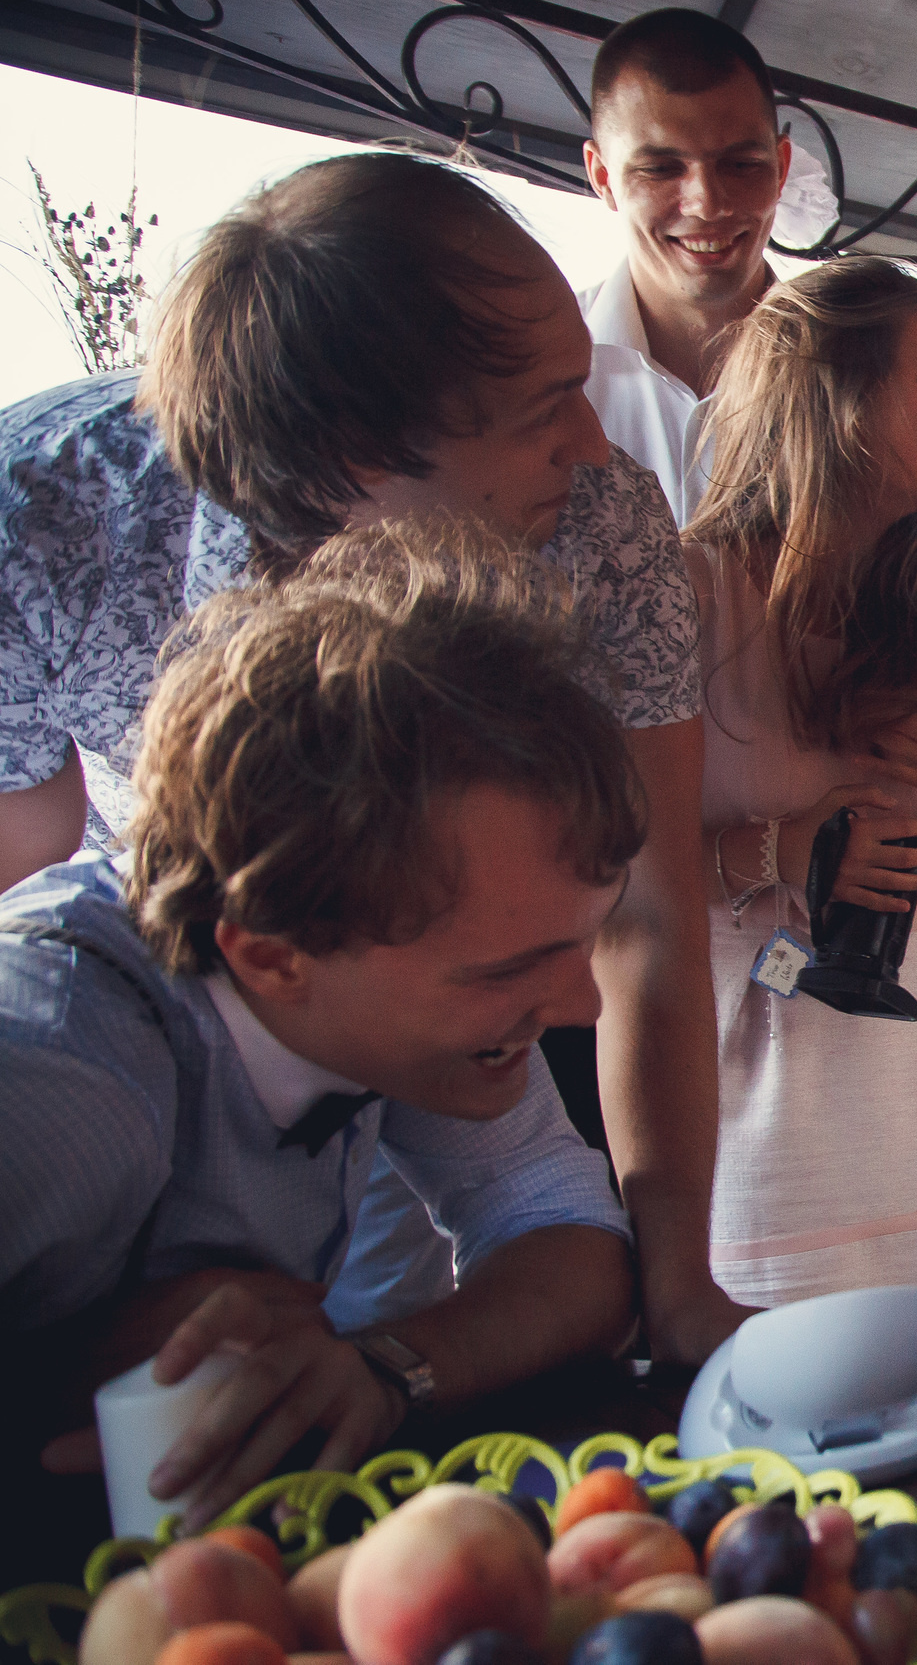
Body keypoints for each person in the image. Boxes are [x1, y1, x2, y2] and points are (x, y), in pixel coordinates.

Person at [0, 152, 743, 1362]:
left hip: (373, 1005)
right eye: (538, 409)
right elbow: (26, 878)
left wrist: (673, 1284)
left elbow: (644, 928)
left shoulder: (601, 522)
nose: (596, 447)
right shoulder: (43, 517)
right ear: (354, 452)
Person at [0, 528, 638, 1541]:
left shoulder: (380, 1008)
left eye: (577, 947)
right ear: (268, 955)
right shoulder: (65, 1080)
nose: (581, 1008)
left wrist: (386, 1370)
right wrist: (50, 1382)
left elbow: (571, 1240)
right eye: (507, 970)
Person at [684, 258, 917, 1371]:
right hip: (756, 1082)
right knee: (775, 1465)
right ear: (827, 397)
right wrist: (779, 851)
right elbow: (605, 877)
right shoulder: (689, 597)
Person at [580, 7, 791, 527]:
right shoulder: (526, 374)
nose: (707, 203)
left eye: (741, 165)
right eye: (661, 169)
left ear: (781, 168)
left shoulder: (858, 371)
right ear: (602, 177)